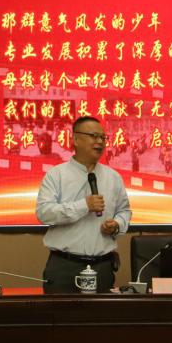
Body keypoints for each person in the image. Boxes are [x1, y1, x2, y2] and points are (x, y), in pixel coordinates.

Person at [36, 116, 132, 293]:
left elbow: (124, 211)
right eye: (94, 136)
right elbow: (44, 213)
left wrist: (117, 224)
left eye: (103, 137)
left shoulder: (113, 177)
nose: (100, 142)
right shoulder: (56, 175)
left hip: (102, 266)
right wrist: (84, 206)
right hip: (64, 267)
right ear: (75, 139)